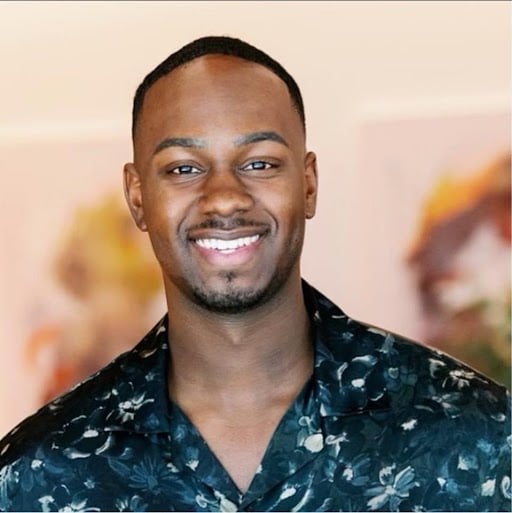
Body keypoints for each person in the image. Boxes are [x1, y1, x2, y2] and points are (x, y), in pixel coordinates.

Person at [0, 36, 509, 512]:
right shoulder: (36, 475)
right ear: (137, 197)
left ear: (308, 184)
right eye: (183, 168)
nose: (224, 198)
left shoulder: (480, 436)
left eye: (260, 164)